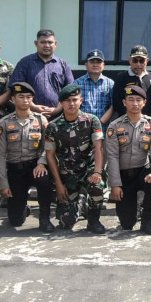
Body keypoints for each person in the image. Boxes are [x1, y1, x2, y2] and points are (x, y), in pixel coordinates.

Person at [47, 84, 108, 234]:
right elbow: (50, 155)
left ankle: (94, 221)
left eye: (75, 100)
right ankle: (81, 203)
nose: (71, 104)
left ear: (81, 100)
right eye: (67, 101)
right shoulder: (53, 127)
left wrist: (98, 172)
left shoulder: (92, 121)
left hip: (88, 170)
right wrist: (59, 184)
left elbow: (99, 147)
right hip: (68, 176)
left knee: (97, 186)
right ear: (61, 103)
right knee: (65, 223)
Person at [0, 82, 54, 232]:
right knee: (16, 221)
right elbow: (0, 154)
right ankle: (22, 207)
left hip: (35, 166)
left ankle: (44, 218)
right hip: (15, 170)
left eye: (28, 97)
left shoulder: (41, 120)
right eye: (21, 97)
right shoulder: (4, 123)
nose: (25, 100)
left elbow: (46, 147)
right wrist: (3, 183)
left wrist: (42, 163)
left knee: (44, 180)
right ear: (13, 100)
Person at [9, 29, 75, 117]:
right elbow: (16, 88)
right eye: (43, 42)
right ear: (36, 43)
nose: (47, 45)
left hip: (59, 117)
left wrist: (58, 109)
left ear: (55, 44)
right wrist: (33, 106)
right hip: (30, 116)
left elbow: (70, 90)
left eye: (50, 42)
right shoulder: (25, 63)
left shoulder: (63, 65)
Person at [112, 45, 151, 118]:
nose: (138, 64)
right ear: (130, 60)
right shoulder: (121, 78)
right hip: (127, 121)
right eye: (135, 60)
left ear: (147, 61)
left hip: (149, 122)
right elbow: (117, 102)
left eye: (141, 61)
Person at [75, 49, 115, 124]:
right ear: (86, 65)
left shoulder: (110, 84)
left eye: (99, 62)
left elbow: (113, 107)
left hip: (103, 128)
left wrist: (99, 123)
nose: (95, 65)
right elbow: (74, 106)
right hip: (83, 127)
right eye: (92, 62)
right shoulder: (77, 84)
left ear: (103, 65)